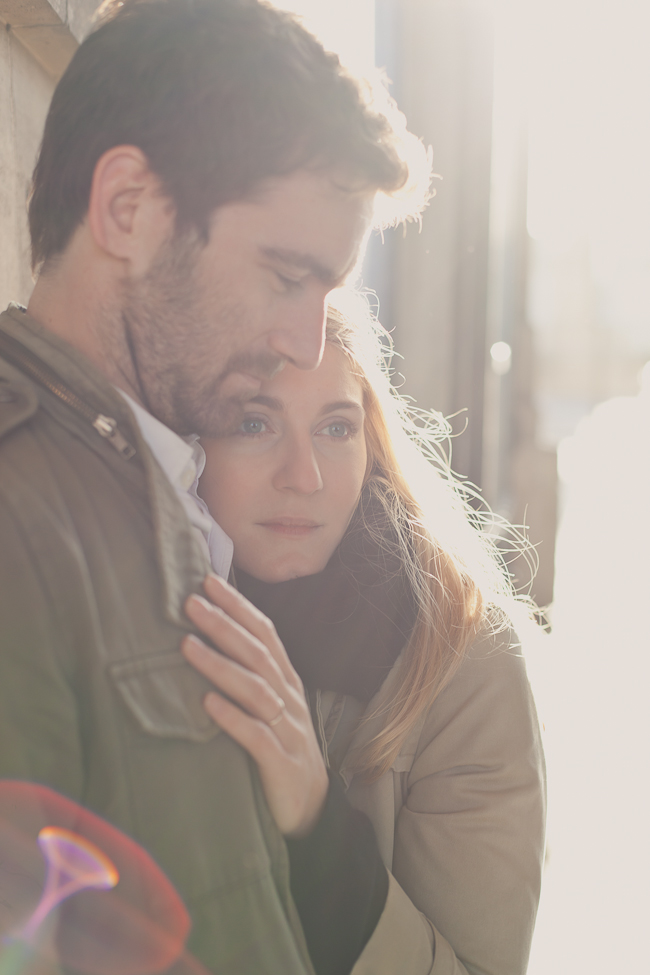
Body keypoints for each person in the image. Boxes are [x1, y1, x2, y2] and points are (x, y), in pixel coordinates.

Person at [0, 1, 429, 970]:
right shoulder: (22, 506)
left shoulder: (157, 478)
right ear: (127, 210)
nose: (304, 343)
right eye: (285, 276)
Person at [183, 302, 547, 975]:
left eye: (335, 427)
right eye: (255, 422)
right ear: (192, 445)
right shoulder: (142, 612)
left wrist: (316, 825)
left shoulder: (464, 662)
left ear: (371, 444)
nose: (305, 474)